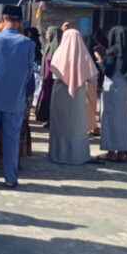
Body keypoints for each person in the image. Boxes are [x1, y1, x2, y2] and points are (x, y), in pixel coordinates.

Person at [0, 5, 35, 188]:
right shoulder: (28, 44)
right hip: (15, 98)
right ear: (21, 22)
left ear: (2, 19)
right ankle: (10, 178)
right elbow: (29, 73)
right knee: (11, 137)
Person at [48, 29, 100, 165]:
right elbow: (92, 76)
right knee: (76, 125)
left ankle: (58, 155)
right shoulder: (83, 55)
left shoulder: (58, 54)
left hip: (59, 92)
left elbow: (54, 74)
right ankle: (77, 155)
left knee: (61, 123)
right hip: (78, 93)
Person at [97, 26, 127, 162]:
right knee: (122, 119)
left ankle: (111, 151)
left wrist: (100, 61)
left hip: (112, 87)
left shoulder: (112, 51)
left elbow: (108, 71)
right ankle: (121, 151)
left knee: (110, 119)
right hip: (125, 87)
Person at [36, 26, 63, 124]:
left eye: (48, 33)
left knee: (51, 98)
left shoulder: (59, 48)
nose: (47, 35)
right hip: (46, 78)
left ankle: (51, 119)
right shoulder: (48, 46)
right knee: (45, 97)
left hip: (53, 79)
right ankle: (44, 117)